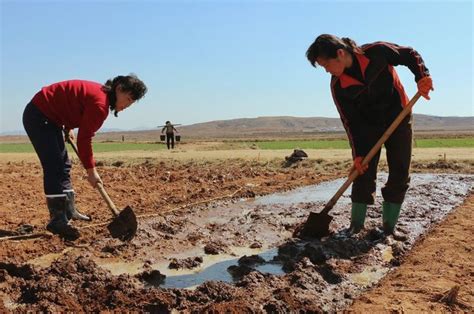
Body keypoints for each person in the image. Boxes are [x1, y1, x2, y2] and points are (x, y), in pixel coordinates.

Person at [306, 34, 433, 238]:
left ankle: (389, 228)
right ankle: (355, 226)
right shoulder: (338, 86)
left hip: (398, 117)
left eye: (326, 65)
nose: (327, 70)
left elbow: (409, 54)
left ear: (340, 53)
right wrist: (358, 154)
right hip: (369, 127)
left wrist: (422, 76)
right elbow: (350, 122)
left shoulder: (377, 52)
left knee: (400, 171)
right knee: (362, 171)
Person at [22, 75, 147, 240]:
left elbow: (72, 102)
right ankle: (57, 220)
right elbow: (85, 139)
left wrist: (68, 125)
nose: (127, 106)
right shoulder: (100, 104)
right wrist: (91, 171)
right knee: (54, 166)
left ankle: (69, 211)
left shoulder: (101, 97)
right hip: (39, 116)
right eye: (128, 99)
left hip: (50, 118)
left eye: (131, 103)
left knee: (64, 165)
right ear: (119, 89)